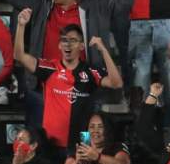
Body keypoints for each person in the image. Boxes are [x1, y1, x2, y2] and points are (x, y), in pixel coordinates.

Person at [13, 12, 124, 152]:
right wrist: (21, 25)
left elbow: (116, 83)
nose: (68, 44)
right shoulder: (49, 68)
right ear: (59, 45)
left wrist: (103, 50)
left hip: (83, 142)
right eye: (64, 40)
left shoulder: (91, 71)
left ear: (82, 46)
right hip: (51, 142)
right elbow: (19, 56)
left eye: (73, 40)